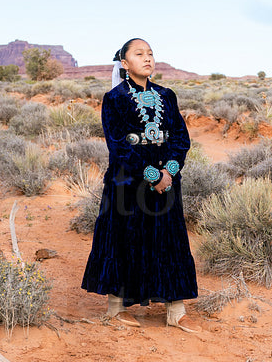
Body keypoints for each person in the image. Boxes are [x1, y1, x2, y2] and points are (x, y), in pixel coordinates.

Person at [80, 37, 199, 332]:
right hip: (127, 183)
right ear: (124, 63)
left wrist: (169, 171)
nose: (147, 58)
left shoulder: (167, 95)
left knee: (170, 240)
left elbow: (180, 138)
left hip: (167, 182)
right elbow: (118, 145)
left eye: (150, 53)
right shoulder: (115, 99)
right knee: (124, 238)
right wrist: (151, 175)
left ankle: (176, 309)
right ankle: (116, 307)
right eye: (139, 54)